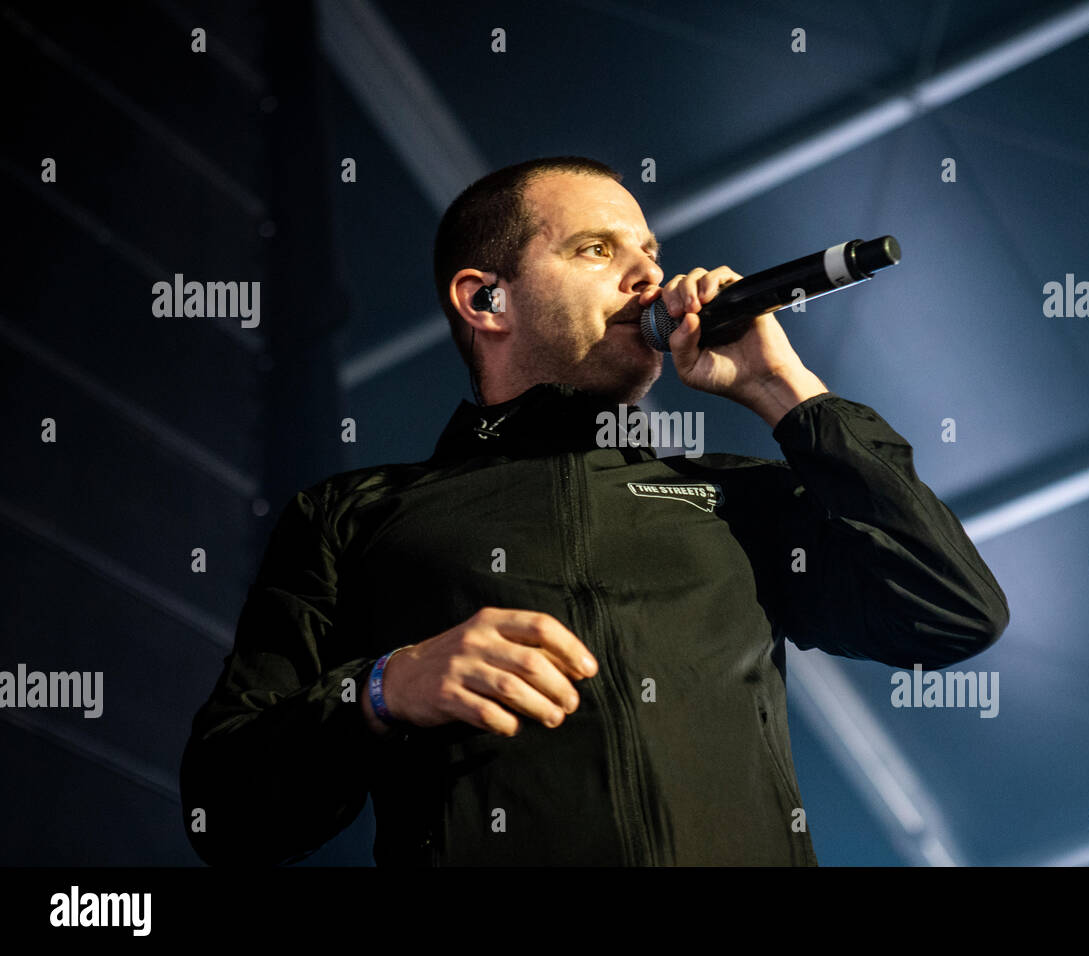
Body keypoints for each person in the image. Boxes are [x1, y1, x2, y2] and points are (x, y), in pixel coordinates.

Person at [180, 156, 1010, 866]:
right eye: (596, 249)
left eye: (651, 252)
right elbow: (224, 812)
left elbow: (951, 612)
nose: (649, 276)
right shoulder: (352, 515)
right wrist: (385, 688)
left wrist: (782, 391)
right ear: (485, 301)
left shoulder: (733, 496)